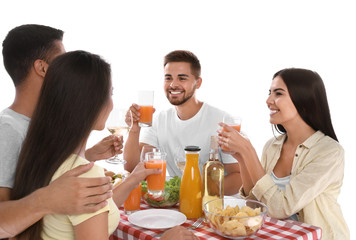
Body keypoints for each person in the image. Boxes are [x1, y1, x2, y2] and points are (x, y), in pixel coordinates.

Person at [0, 24, 121, 238]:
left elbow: (49, 171)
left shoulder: (41, 125)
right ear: (43, 68)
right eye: (61, 60)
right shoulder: (8, 130)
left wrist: (89, 156)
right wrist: (47, 198)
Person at [218, 68, 349, 239]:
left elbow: (280, 207)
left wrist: (249, 151)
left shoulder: (329, 152)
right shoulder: (272, 146)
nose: (268, 100)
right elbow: (255, 205)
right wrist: (241, 158)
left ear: (303, 99)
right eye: (269, 93)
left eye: (278, 93)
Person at [124, 50, 241, 195]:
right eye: (168, 78)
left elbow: (238, 177)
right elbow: (133, 168)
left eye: (182, 78)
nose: (173, 85)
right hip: (178, 205)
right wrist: (134, 129)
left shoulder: (222, 121)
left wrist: (193, 193)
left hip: (215, 206)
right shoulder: (158, 119)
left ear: (198, 83)